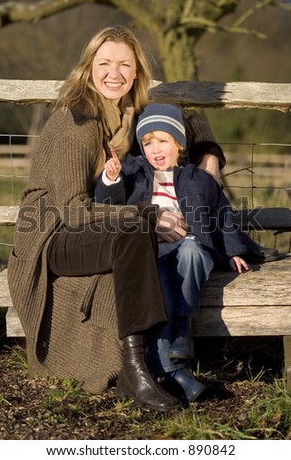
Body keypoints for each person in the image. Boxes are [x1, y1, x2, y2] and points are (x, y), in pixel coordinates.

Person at [7, 25, 277, 411]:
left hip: (97, 231)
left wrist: (210, 157)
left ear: (136, 73)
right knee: (137, 227)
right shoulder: (77, 123)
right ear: (88, 68)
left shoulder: (127, 115)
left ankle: (149, 366)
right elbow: (72, 210)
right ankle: (140, 369)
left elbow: (184, 122)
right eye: (104, 63)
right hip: (54, 237)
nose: (113, 73)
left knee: (137, 230)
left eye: (124, 64)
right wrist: (148, 215)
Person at [95, 103, 252, 402]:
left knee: (193, 250)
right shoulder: (136, 173)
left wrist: (233, 251)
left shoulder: (198, 178)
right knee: (162, 294)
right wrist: (111, 179)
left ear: (179, 144)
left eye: (163, 140)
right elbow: (110, 207)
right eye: (147, 142)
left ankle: (183, 326)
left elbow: (222, 215)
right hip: (153, 253)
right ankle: (175, 371)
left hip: (190, 248)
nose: (155, 149)